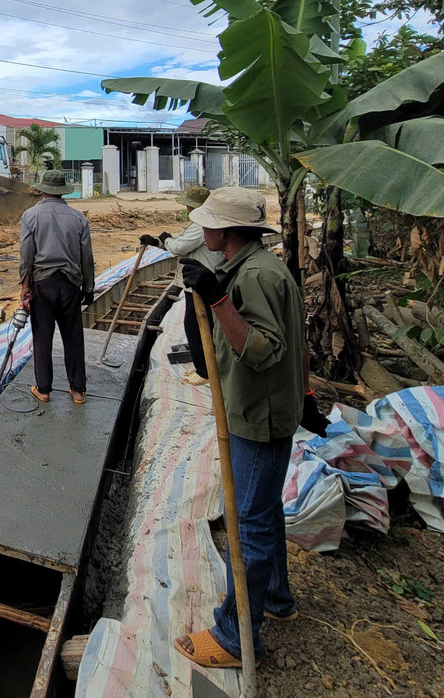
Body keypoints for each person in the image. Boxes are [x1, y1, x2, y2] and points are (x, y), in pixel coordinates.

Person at [172, 187, 304, 671]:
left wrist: (217, 298)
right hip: (258, 409)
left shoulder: (254, 277)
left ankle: (234, 637)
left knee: (246, 525)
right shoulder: (252, 267)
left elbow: (264, 348)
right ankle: (276, 597)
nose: (202, 229)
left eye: (207, 222)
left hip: (259, 416)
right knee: (264, 513)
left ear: (224, 231)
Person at [18, 168, 96, 404]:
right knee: (73, 337)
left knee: (43, 337)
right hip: (71, 284)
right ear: (63, 192)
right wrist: (89, 288)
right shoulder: (78, 218)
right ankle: (78, 390)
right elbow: (87, 257)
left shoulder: (30, 216)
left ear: (43, 190)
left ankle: (43, 389)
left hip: (43, 283)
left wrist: (24, 286)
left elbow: (26, 255)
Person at [139, 186, 222, 381]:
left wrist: (167, 240)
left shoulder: (202, 225)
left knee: (196, 324)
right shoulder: (198, 224)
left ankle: (205, 371)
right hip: (196, 280)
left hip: (202, 280)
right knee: (195, 324)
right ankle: (204, 366)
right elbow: (180, 241)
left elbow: (179, 246)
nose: (187, 209)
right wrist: (157, 242)